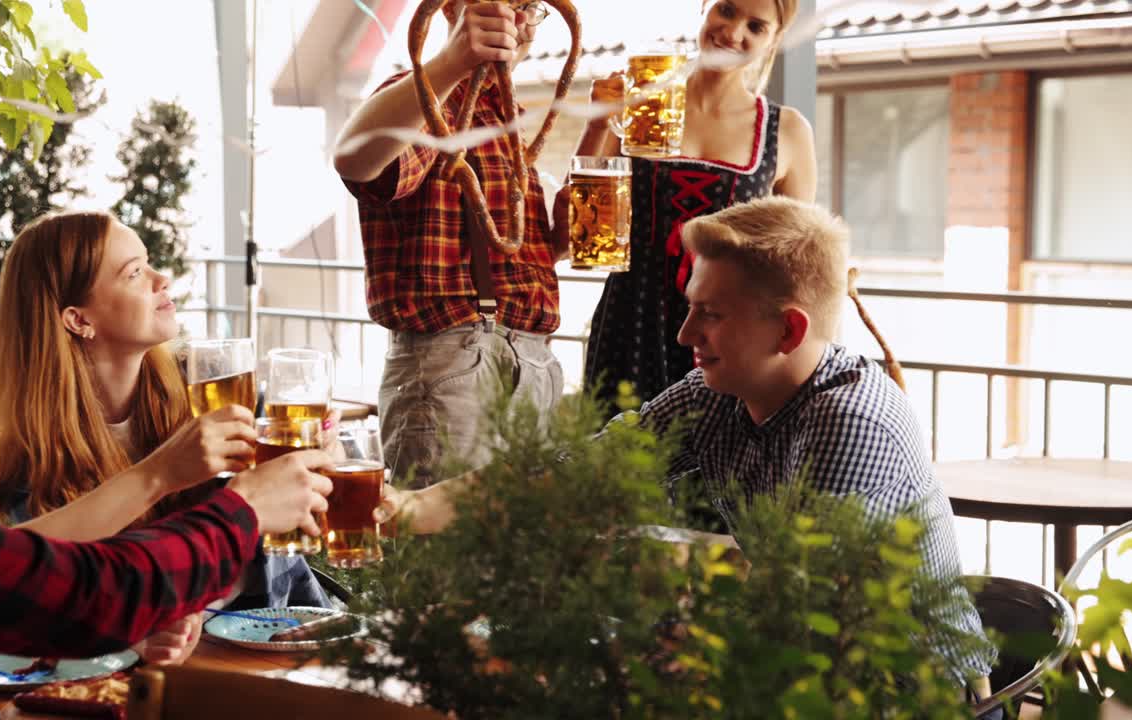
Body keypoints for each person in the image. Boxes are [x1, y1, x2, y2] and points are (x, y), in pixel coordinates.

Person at [376, 197, 996, 695]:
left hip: (909, 694)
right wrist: (408, 508)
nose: (684, 333)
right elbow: (576, 472)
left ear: (788, 328)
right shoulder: (716, 391)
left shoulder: (850, 420)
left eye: (710, 314)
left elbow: (802, 619)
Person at [0, 200, 334, 658]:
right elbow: (40, 582)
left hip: (274, 636)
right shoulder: (33, 447)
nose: (162, 279)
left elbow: (286, 555)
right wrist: (185, 490)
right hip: (146, 664)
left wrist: (310, 476)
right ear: (78, 319)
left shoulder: (207, 387)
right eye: (134, 273)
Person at [333, 0, 566, 487]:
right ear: (453, 9)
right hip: (456, 365)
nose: (519, 22)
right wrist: (450, 64)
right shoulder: (426, 102)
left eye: (530, 8)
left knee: (524, 550)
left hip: (533, 364)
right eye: (506, 5)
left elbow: (506, 254)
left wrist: (557, 242)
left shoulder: (508, 119)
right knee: (442, 552)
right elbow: (355, 161)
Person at [578, 0, 817, 413]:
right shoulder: (645, 103)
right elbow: (585, 222)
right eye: (726, 10)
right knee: (618, 464)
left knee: (718, 470)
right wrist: (598, 123)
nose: (733, 32)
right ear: (705, 8)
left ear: (773, 39)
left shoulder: (787, 130)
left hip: (728, 332)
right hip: (632, 317)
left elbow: (795, 265)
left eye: (755, 26)